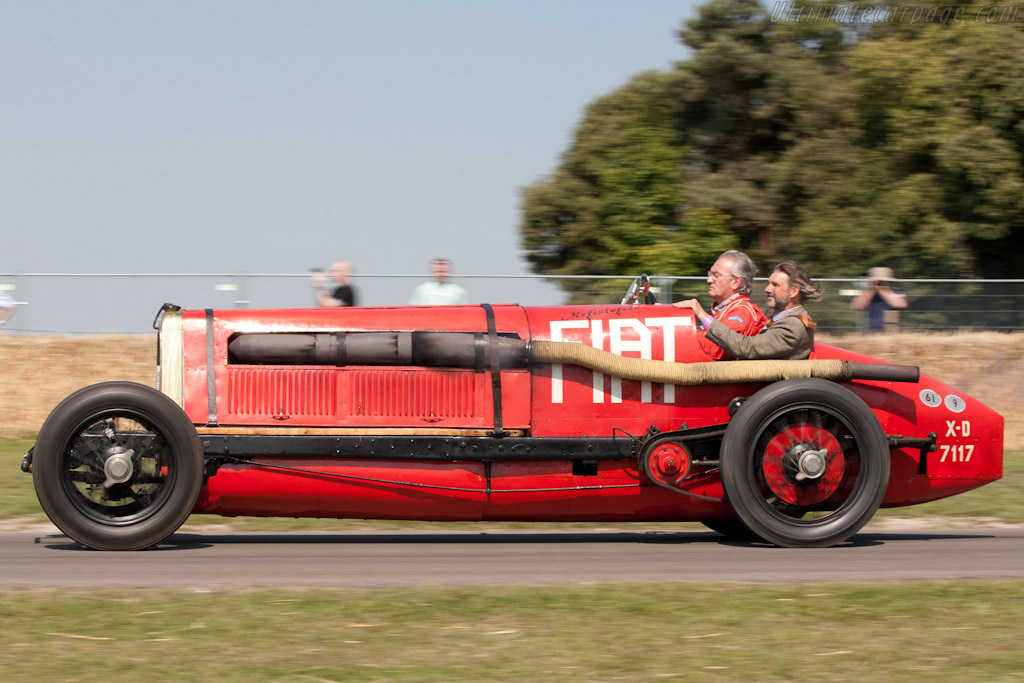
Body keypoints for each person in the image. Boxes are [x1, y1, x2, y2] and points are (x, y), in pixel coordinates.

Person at [699, 260, 824, 361]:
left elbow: (747, 348)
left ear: (793, 291)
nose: (767, 289)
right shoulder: (781, 319)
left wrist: (704, 317)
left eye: (775, 285)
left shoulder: (793, 326)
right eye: (769, 283)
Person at [672, 250, 767, 360]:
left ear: (735, 282)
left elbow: (715, 348)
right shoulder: (725, 309)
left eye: (716, 275)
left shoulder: (742, 311)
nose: (709, 280)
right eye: (710, 274)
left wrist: (676, 330)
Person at [849, 266, 907, 333]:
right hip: (869, 330)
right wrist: (871, 290)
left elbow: (900, 304)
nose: (880, 283)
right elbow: (856, 306)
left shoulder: (895, 292)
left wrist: (883, 290)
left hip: (890, 330)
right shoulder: (867, 293)